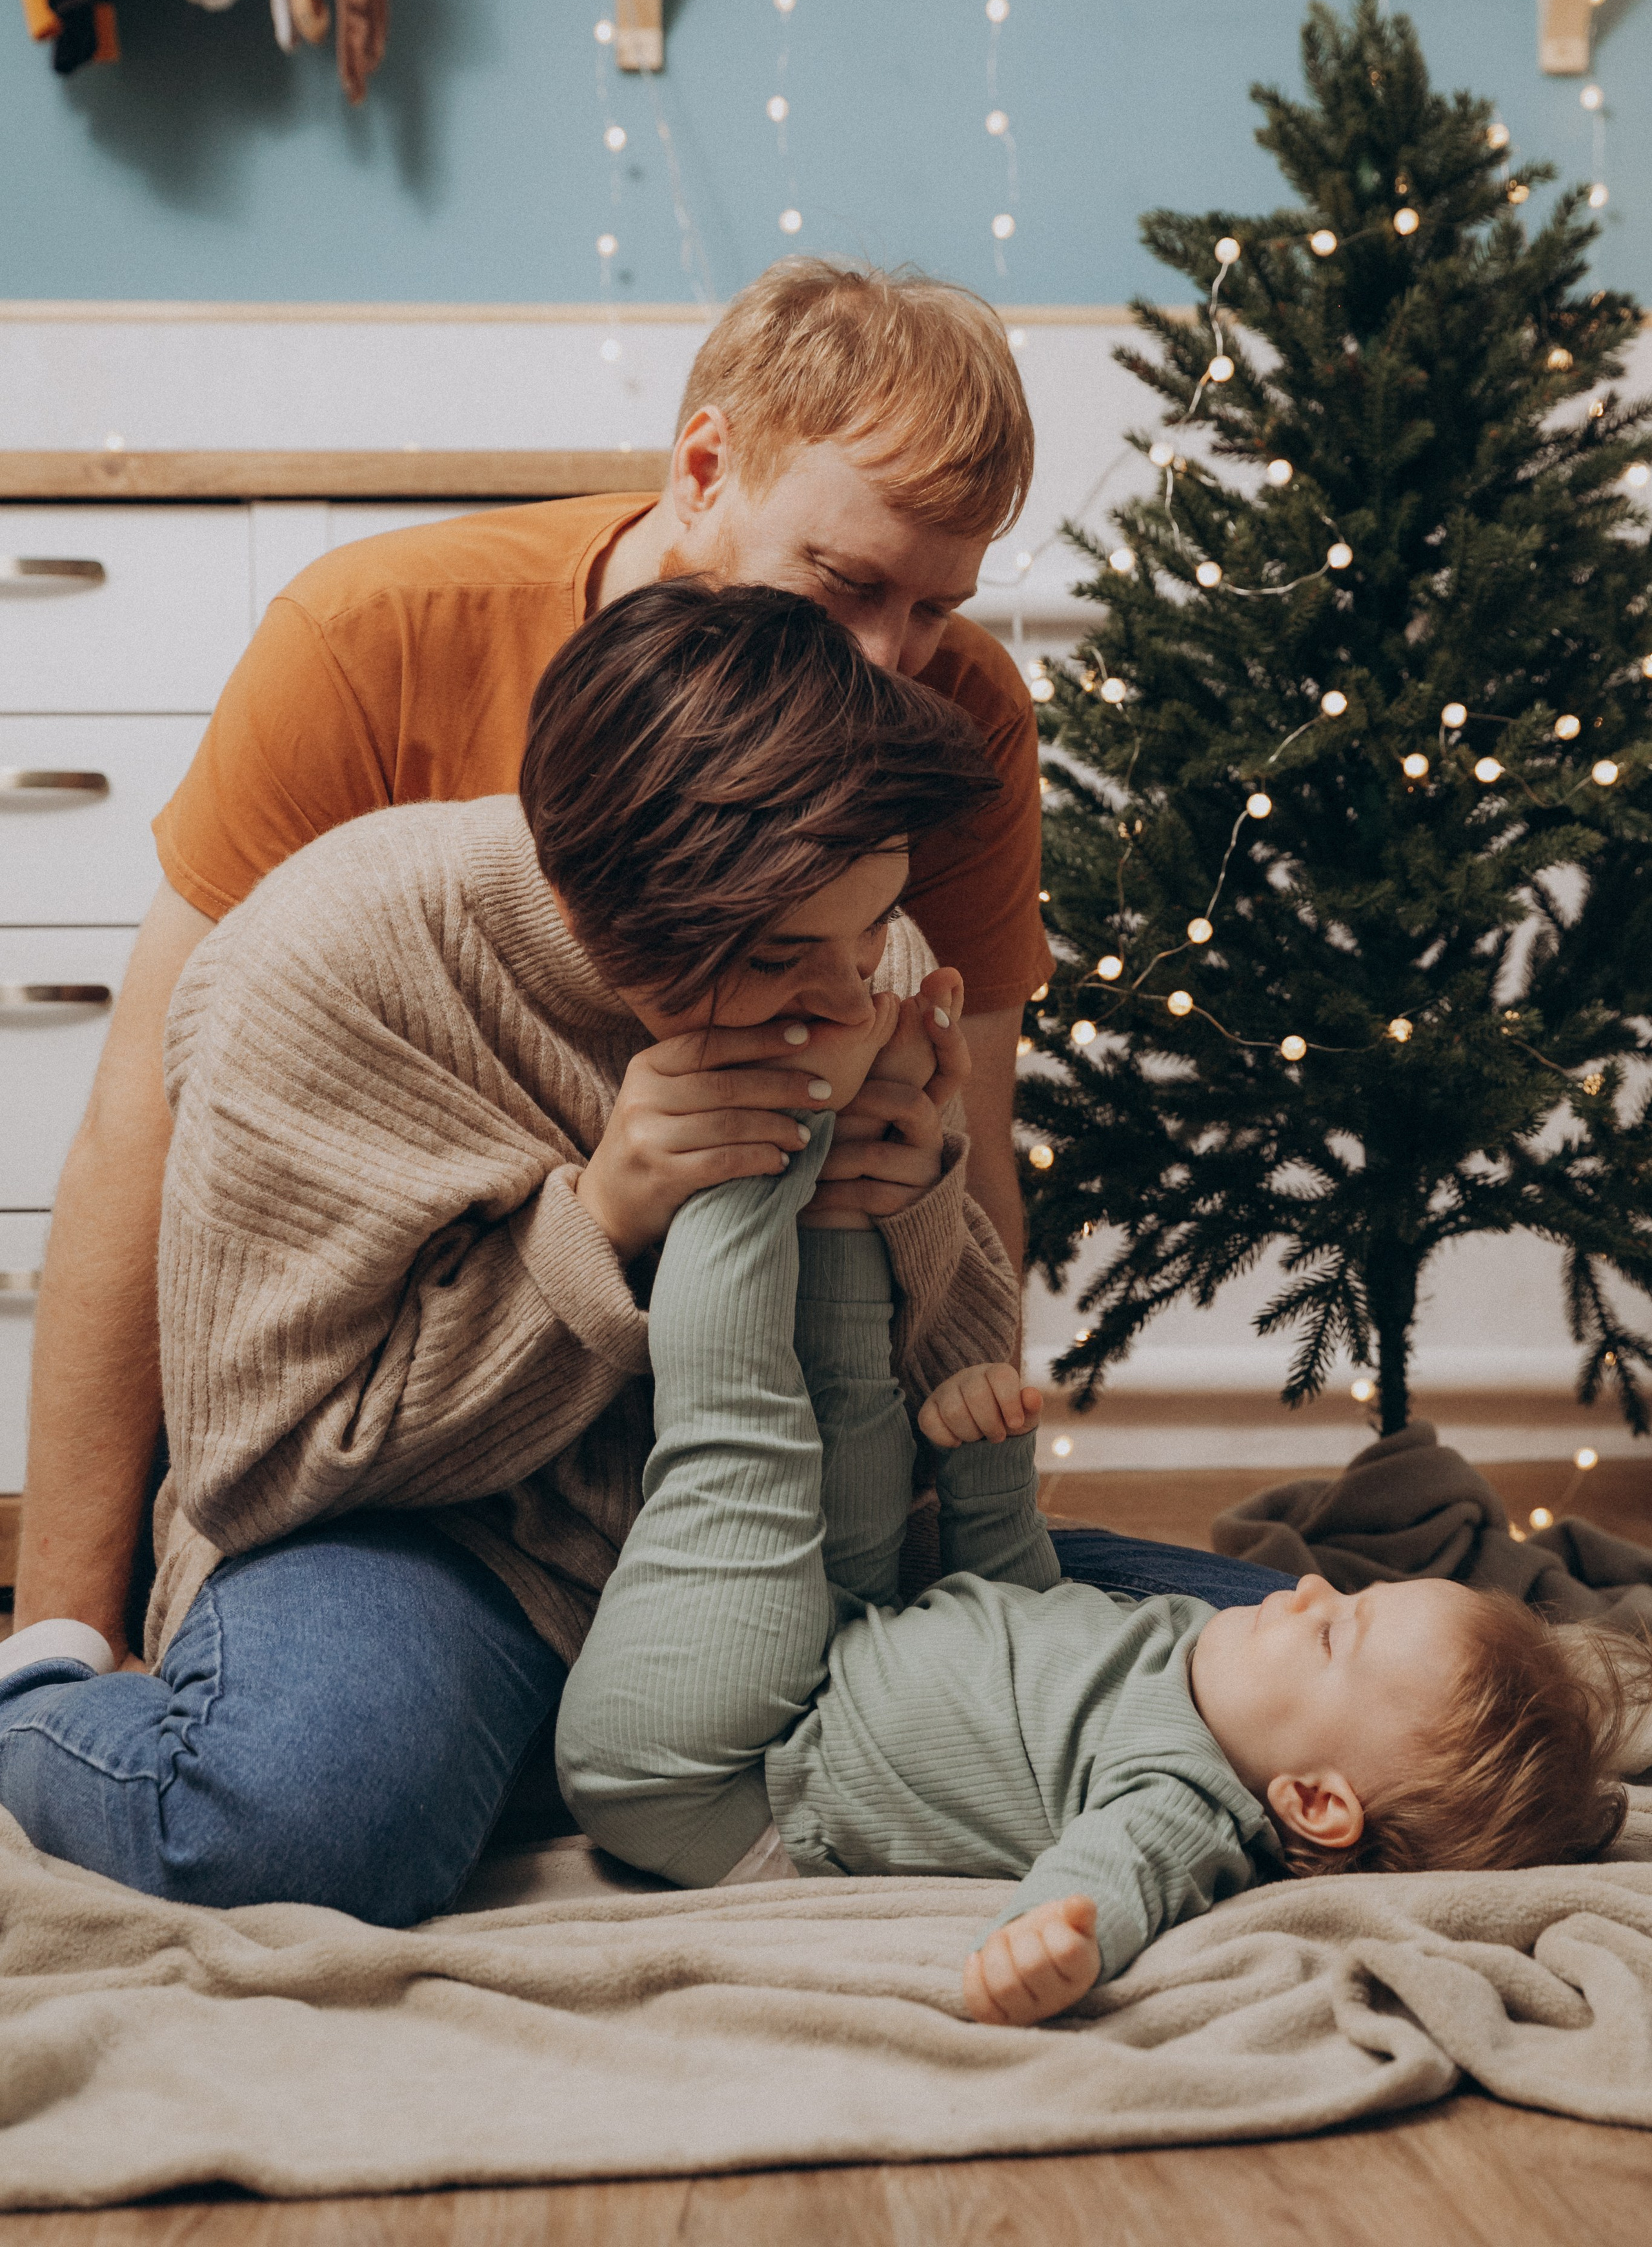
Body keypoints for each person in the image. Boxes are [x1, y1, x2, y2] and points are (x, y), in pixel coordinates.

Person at [15, 255, 1284, 1658]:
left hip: (768, 1453)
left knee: (1353, 1672)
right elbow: (144, 1132)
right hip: (420, 1471)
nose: (886, 661)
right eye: (844, 582)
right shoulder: (371, 640)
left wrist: (966, 1540)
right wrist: (62, 1631)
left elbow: (968, 1136)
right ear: (701, 469)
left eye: (936, 607)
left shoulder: (957, 713)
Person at [0, 584, 1020, 1921]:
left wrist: (913, 1202)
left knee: (1264, 1670)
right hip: (434, 1553)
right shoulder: (328, 965)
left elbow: (955, 1390)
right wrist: (598, 1223)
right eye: (780, 958)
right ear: (593, 894)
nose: (843, 995)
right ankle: (47, 1714)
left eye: (868, 934)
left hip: (792, 1553)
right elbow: (256, 1467)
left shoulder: (842, 931)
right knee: (298, 1834)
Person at [556, 1107, 1646, 2026]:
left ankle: (753, 1144)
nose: (1308, 1587)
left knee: (748, 1443)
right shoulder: (1195, 1659)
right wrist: (988, 1479)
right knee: (857, 1418)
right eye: (1342, 1595)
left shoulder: (1186, 1797)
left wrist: (1055, 1943)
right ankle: (837, 1186)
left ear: (1315, 1803)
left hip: (718, 1777)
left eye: (1331, 1633)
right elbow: (1028, 1616)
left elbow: (1110, 1878)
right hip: (845, 1645)